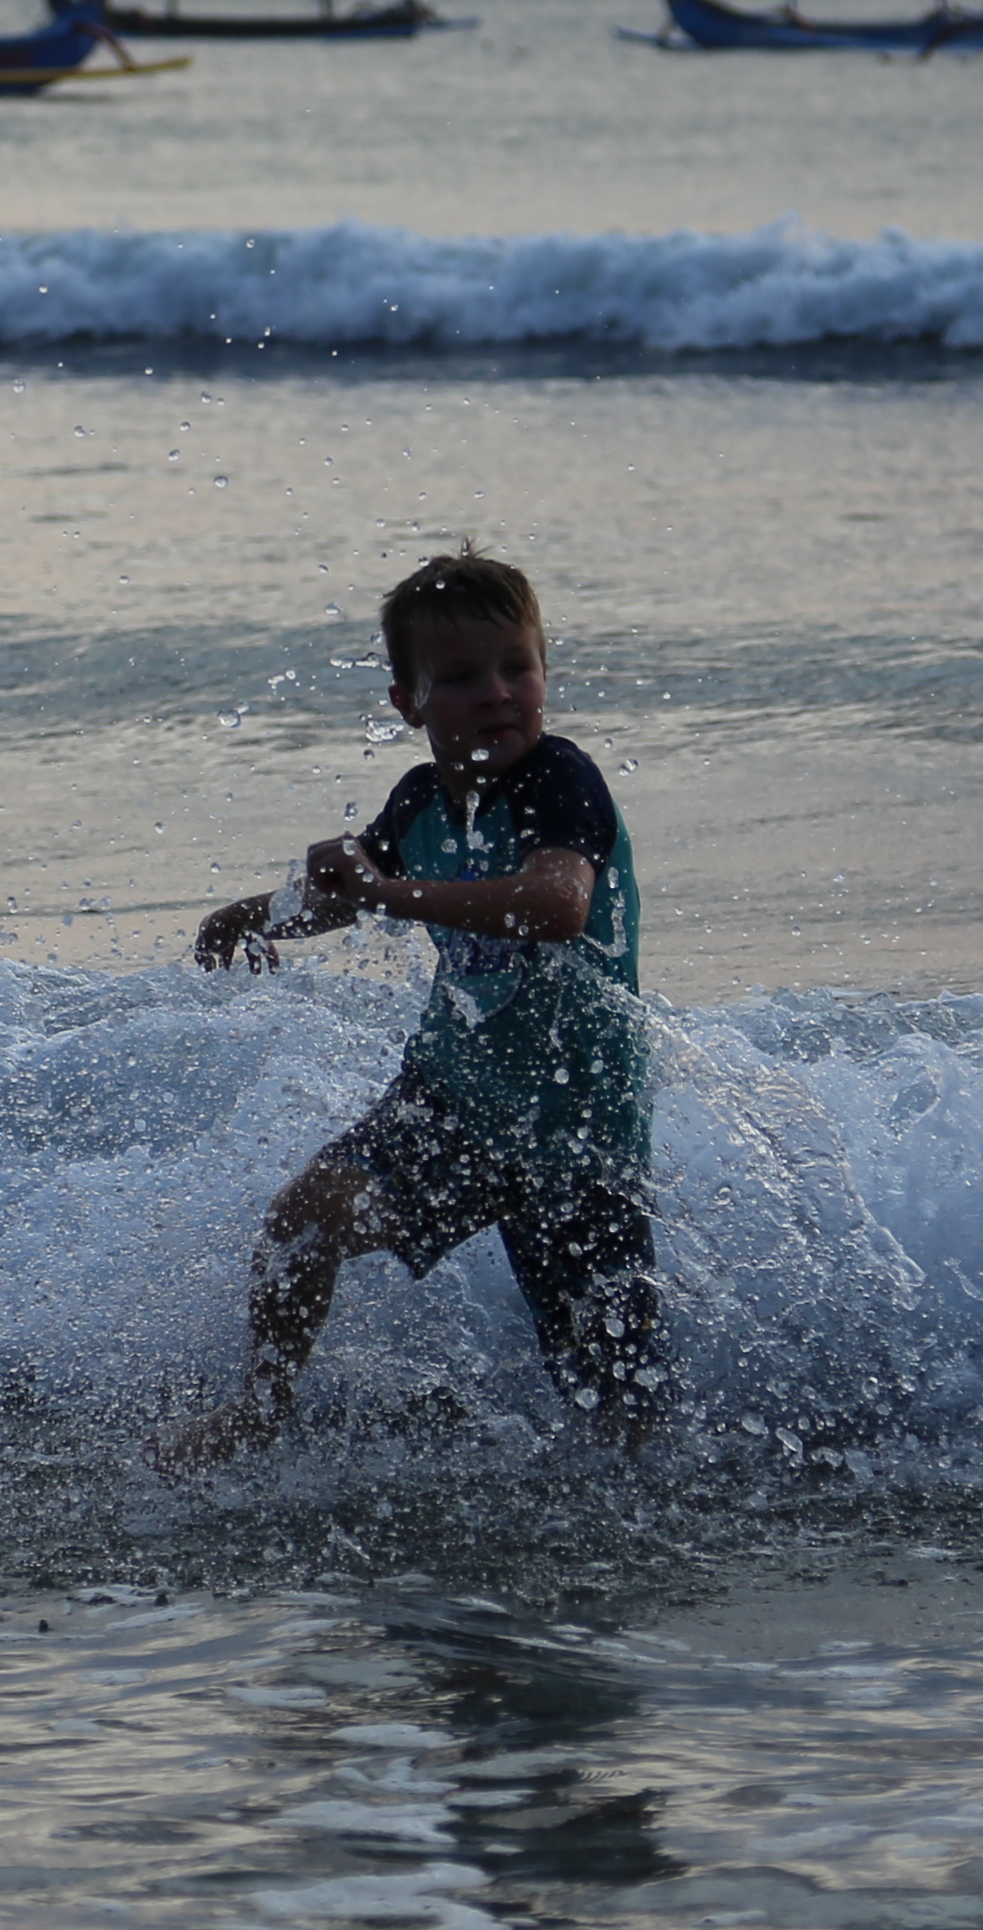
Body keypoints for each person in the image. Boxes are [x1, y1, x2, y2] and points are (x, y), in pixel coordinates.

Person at [168, 551, 661, 1456]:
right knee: (302, 1221)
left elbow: (558, 905)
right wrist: (261, 914)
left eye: (518, 667)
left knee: (620, 1415)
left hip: (576, 1129)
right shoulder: (422, 799)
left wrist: (389, 897)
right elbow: (354, 888)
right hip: (454, 1098)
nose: (499, 694)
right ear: (409, 702)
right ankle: (259, 1413)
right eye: (464, 678)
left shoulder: (559, 779)